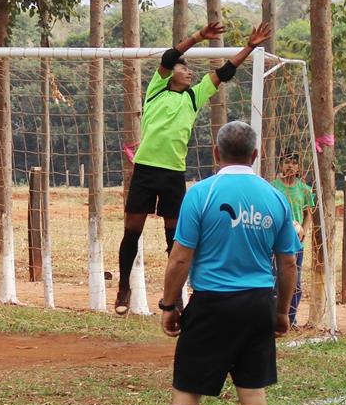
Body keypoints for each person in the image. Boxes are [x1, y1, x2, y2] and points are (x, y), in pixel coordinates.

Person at [141, 121, 300, 405]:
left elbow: (180, 257)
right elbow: (289, 263)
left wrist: (169, 305)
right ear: (256, 155)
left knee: (187, 389)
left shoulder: (202, 194)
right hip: (258, 303)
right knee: (253, 390)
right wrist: (282, 312)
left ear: (216, 153)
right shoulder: (275, 197)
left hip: (212, 304)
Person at [114, 22, 273, 315]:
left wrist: (249, 46)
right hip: (146, 171)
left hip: (173, 174)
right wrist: (200, 36)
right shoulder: (157, 90)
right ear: (171, 72)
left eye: (190, 70)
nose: (188, 72)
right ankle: (124, 286)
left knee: (174, 239)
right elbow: (168, 57)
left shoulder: (193, 97)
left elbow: (225, 72)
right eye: (183, 68)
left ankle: (173, 299)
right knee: (132, 232)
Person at [271, 153, 314, 329]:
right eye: (287, 162)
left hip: (295, 242)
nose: (290, 166)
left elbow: (308, 215)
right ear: (281, 165)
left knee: (294, 281)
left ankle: (291, 318)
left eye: (294, 163)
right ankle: (272, 317)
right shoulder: (273, 187)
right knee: (273, 279)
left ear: (298, 168)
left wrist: (303, 230)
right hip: (275, 242)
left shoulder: (304, 189)